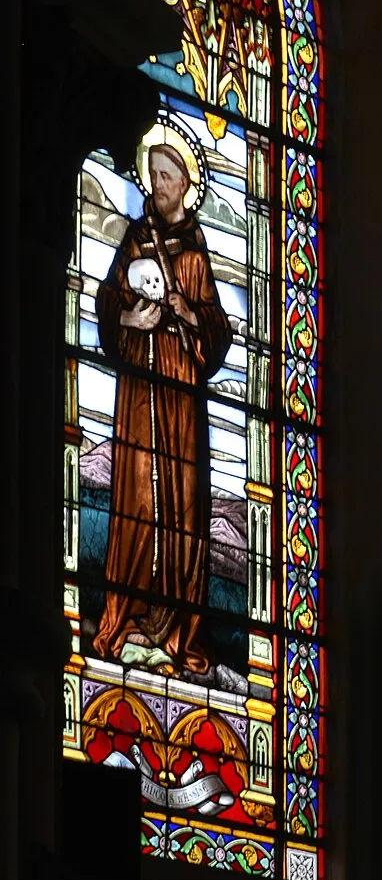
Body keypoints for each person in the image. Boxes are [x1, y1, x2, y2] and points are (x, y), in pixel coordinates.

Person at [94, 137, 232, 675]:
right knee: (134, 491)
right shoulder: (133, 240)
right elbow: (109, 301)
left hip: (178, 398)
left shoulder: (195, 256)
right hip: (139, 396)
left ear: (187, 188)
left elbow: (217, 333)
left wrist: (186, 314)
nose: (158, 184)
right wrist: (130, 320)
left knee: (180, 501)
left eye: (167, 175)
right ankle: (125, 617)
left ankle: (177, 630)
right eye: (153, 173)